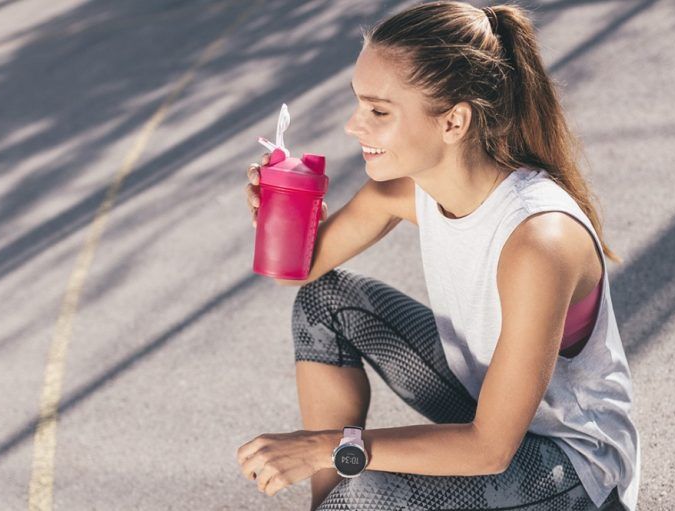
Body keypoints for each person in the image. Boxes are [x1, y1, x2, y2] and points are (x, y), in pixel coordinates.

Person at [238, 2, 639, 510]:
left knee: (362, 490)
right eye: (360, 104)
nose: (352, 126)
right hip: (485, 405)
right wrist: (281, 209)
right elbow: (299, 273)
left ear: (453, 122)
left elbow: (490, 449)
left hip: (571, 467)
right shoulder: (406, 192)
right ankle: (330, 507)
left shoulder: (538, 239)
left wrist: (325, 449)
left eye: (378, 111)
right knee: (324, 304)